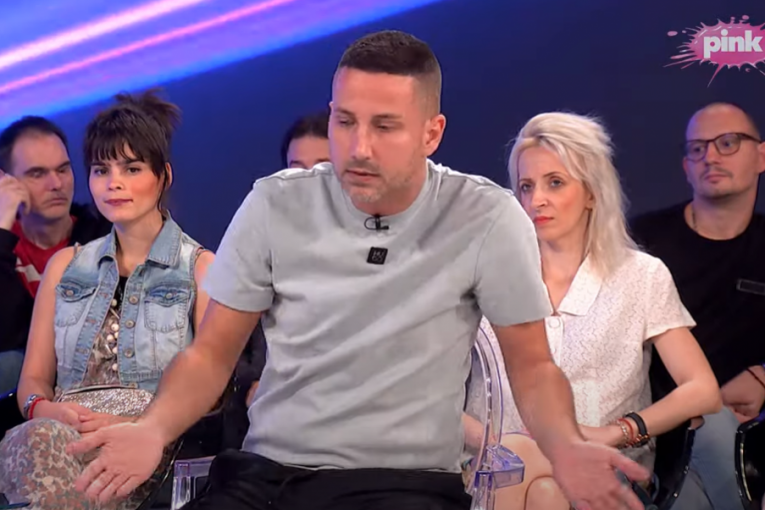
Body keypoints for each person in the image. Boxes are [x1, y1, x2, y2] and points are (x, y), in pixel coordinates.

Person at [69, 31, 649, 510]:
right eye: (345, 122)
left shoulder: (486, 216)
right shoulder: (275, 203)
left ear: (432, 133)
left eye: (384, 126)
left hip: (403, 484)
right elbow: (211, 355)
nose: (359, 147)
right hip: (266, 477)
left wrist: (565, 445)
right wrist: (153, 428)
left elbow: (532, 367)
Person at [463, 112, 721, 510]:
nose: (536, 200)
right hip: (489, 465)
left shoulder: (641, 276)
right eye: (526, 186)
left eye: (555, 182)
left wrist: (617, 432)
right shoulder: (486, 274)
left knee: (548, 488)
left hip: (604, 468)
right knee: (534, 478)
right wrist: (495, 443)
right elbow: (431, 395)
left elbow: (701, 389)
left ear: (591, 193)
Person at [0, 90, 214, 510]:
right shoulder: (64, 267)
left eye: (131, 168)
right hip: (60, 435)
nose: (114, 182)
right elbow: (33, 380)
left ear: (164, 176)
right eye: (101, 170)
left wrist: (142, 424)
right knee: (42, 440)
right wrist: (44, 409)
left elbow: (214, 386)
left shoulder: (201, 268)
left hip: (150, 440)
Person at [631, 102, 765, 510]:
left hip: (747, 429)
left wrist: (762, 378)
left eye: (728, 143)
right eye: (698, 148)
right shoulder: (641, 243)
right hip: (655, 421)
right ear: (686, 167)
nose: (711, 156)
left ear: (761, 156)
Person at [0, 117, 110, 394]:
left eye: (63, 169)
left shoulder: (104, 236)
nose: (56, 183)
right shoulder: (4, 245)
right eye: (37, 174)